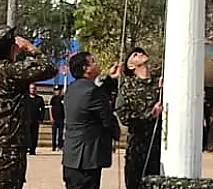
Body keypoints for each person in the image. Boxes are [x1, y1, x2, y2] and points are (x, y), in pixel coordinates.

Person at [0, 26, 57, 189]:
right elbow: (49, 68)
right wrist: (31, 48)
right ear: (13, 48)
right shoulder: (11, 71)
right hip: (7, 148)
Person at [62, 51, 121, 189]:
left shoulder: (72, 88)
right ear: (85, 68)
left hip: (72, 158)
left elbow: (95, 97)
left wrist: (110, 79)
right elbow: (107, 120)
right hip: (87, 159)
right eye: (93, 61)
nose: (97, 63)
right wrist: (116, 133)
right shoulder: (93, 91)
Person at [115, 48, 161, 189]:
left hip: (160, 147)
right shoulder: (127, 87)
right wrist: (150, 115)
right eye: (135, 54)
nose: (140, 54)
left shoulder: (160, 82)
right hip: (138, 147)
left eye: (141, 52)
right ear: (131, 66)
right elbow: (124, 116)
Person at [23, 84, 45, 155]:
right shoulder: (25, 98)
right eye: (31, 88)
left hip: (35, 120)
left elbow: (43, 109)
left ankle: (33, 149)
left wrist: (41, 118)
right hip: (27, 120)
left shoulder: (39, 99)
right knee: (27, 135)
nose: (32, 90)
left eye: (34, 88)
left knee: (34, 135)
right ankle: (27, 148)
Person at [49, 85, 65, 151]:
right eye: (56, 90)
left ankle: (60, 146)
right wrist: (51, 117)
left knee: (60, 133)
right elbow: (50, 108)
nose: (57, 92)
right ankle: (53, 146)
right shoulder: (53, 98)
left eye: (58, 90)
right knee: (54, 133)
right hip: (54, 118)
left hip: (61, 118)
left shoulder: (63, 98)